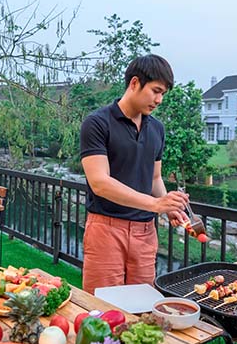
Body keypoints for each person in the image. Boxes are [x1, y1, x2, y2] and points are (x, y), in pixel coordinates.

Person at [79, 54, 190, 294]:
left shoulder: (157, 128)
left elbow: (155, 178)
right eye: (156, 91)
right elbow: (99, 183)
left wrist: (168, 205)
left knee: (142, 308)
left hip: (145, 233)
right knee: (102, 306)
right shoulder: (97, 123)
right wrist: (155, 204)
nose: (159, 100)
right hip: (106, 229)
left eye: (163, 94)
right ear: (134, 83)